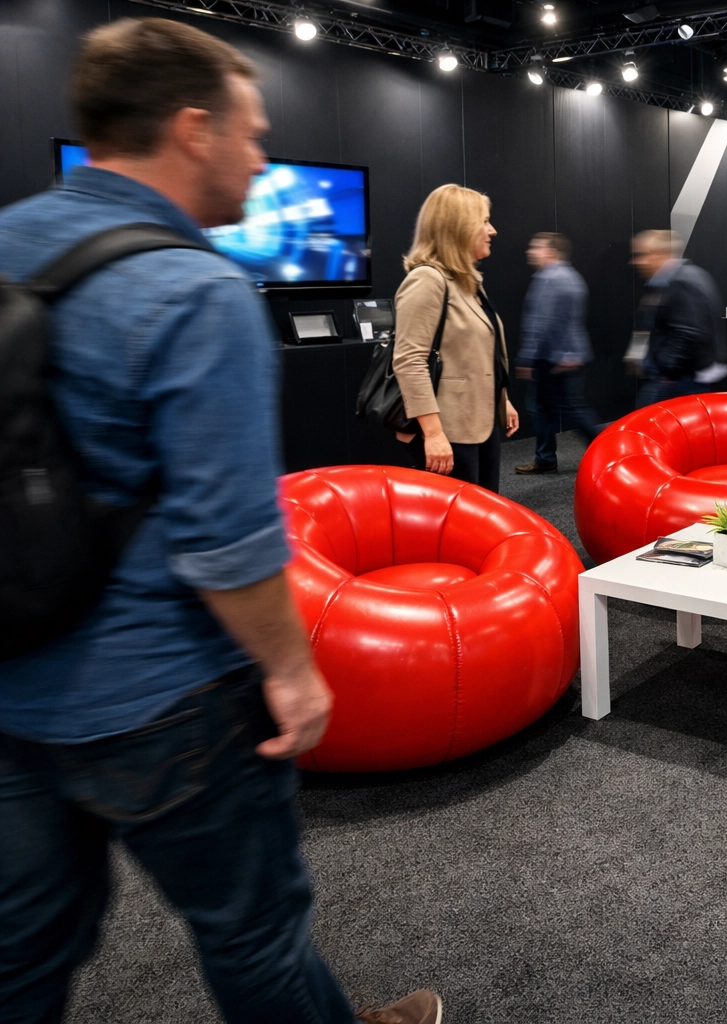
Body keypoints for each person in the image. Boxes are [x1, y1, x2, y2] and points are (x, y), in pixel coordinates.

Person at [0, 18, 437, 1024]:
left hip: (12, 677)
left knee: (21, 948)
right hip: (165, 695)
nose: (260, 157)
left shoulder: (11, 244)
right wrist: (291, 669)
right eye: (252, 133)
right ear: (193, 130)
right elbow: (228, 544)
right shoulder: (197, 289)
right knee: (253, 932)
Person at [393, 184, 518, 491]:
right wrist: (434, 434)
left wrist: (502, 399)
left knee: (484, 513)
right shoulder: (427, 279)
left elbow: (476, 353)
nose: (493, 230)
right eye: (484, 221)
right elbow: (409, 362)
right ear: (458, 227)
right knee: (453, 527)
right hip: (447, 432)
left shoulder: (466, 282)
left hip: (480, 423)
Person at [514, 231, 603, 475]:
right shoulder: (571, 276)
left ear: (550, 252)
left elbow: (541, 323)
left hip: (554, 358)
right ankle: (545, 458)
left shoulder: (550, 278)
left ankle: (609, 451)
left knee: (568, 410)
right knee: (545, 407)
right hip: (566, 355)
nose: (529, 251)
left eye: (536, 247)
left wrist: (527, 357)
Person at [629, 229, 727, 406]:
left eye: (642, 255)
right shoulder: (667, 281)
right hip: (677, 375)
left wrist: (668, 371)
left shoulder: (682, 282)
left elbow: (687, 332)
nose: (636, 262)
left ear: (661, 254)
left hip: (680, 378)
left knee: (651, 426)